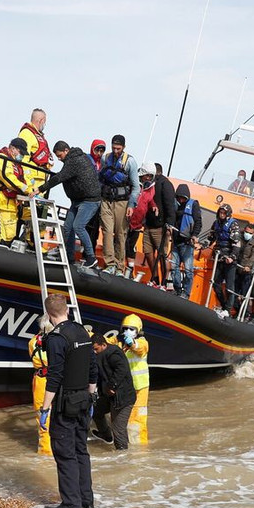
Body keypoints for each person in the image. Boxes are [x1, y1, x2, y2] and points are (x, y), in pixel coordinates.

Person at [38, 294, 98, 508]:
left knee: (65, 453)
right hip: (84, 399)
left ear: (48, 314)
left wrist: (45, 408)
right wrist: (91, 397)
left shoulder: (56, 339)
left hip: (65, 404)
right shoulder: (82, 331)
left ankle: (71, 504)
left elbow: (54, 377)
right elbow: (93, 368)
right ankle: (86, 500)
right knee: (81, 450)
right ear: (67, 310)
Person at [37, 140, 101, 267]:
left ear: (66, 151)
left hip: (89, 200)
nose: (59, 159)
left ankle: (91, 257)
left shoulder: (74, 160)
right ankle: (69, 256)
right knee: (68, 227)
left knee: (78, 226)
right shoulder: (72, 159)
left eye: (60, 156)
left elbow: (60, 177)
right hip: (78, 200)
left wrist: (40, 189)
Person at [98, 135, 140, 275]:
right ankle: (110, 263)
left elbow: (136, 187)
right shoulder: (106, 158)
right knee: (107, 232)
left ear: (123, 147)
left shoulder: (130, 162)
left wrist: (131, 205)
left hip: (122, 202)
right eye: (113, 148)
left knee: (121, 234)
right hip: (106, 200)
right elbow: (101, 178)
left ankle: (119, 266)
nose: (115, 151)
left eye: (118, 148)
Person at [91, 333, 136, 450]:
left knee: (118, 429)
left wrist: (112, 386)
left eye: (96, 349)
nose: (95, 352)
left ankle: (123, 458)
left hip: (123, 398)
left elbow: (122, 369)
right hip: (108, 396)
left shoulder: (113, 354)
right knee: (96, 411)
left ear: (104, 345)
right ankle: (106, 435)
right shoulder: (101, 354)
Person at [114, 314, 150, 444]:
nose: (127, 331)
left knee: (137, 421)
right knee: (124, 419)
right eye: (125, 328)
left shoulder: (142, 342)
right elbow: (105, 342)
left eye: (131, 329)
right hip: (125, 387)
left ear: (138, 330)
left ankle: (140, 449)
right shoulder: (119, 341)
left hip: (139, 388)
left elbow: (139, 348)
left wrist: (132, 343)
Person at [143, 163, 176, 287]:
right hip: (148, 224)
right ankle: (155, 278)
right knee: (148, 252)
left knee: (162, 255)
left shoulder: (165, 184)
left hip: (160, 226)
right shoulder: (149, 184)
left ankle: (164, 282)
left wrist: (169, 225)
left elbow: (169, 206)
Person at [205, 204, 241, 311]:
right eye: (220, 212)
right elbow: (211, 238)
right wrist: (203, 244)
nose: (221, 215)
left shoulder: (233, 224)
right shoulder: (216, 223)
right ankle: (224, 305)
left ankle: (228, 310)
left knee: (229, 287)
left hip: (229, 258)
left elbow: (237, 243)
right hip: (218, 256)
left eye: (224, 213)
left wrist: (232, 257)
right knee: (215, 284)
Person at [169, 184, 202, 299]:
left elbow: (198, 222)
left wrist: (194, 235)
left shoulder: (193, 205)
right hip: (176, 241)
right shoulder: (175, 205)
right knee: (174, 267)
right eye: (179, 197)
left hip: (187, 243)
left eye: (183, 198)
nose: (181, 200)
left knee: (188, 270)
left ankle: (186, 293)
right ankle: (177, 289)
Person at [29, 315, 53, 455]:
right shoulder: (57, 340)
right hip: (56, 378)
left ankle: (45, 451)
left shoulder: (33, 342)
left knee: (43, 415)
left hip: (41, 380)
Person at [17, 108, 53, 190]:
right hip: (33, 180)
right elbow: (22, 160)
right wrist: (29, 182)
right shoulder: (27, 133)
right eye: (45, 122)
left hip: (41, 180)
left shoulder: (38, 135)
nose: (45, 124)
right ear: (41, 121)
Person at [86, 139, 108, 251]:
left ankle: (90, 251)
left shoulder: (104, 164)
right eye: (97, 150)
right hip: (86, 198)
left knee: (94, 227)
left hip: (98, 199)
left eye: (101, 151)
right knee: (82, 224)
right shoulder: (86, 160)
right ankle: (82, 247)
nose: (99, 153)